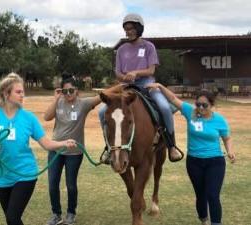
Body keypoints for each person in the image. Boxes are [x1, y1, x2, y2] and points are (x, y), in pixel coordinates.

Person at [0, 73, 76, 225]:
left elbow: (46, 144)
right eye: (18, 92)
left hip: (25, 174)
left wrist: (64, 143)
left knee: (12, 217)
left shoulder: (29, 118)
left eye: (23, 91)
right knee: (12, 220)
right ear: (6, 93)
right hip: (2, 177)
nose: (23, 95)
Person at [146, 83, 235, 225]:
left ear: (211, 105)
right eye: (198, 104)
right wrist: (160, 87)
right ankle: (203, 219)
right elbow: (173, 99)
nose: (200, 108)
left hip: (215, 162)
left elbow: (227, 138)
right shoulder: (190, 112)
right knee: (201, 195)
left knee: (213, 195)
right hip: (194, 162)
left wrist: (230, 151)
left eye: (204, 105)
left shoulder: (219, 120)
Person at [99, 13, 183, 162]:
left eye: (131, 28)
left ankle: (171, 146)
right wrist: (124, 77)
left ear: (139, 28)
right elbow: (118, 72)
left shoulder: (149, 46)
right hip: (126, 86)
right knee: (101, 112)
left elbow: (151, 70)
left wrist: (136, 73)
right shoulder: (121, 50)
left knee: (164, 107)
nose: (128, 31)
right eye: (126, 29)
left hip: (147, 85)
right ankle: (108, 148)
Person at [44, 72, 106, 225]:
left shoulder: (83, 104)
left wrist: (120, 87)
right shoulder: (58, 102)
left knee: (71, 184)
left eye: (71, 91)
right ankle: (56, 214)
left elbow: (102, 97)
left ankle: (71, 213)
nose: (68, 94)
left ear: (77, 90)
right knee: (52, 184)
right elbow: (46, 117)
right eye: (65, 91)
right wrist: (55, 99)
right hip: (56, 150)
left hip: (74, 152)